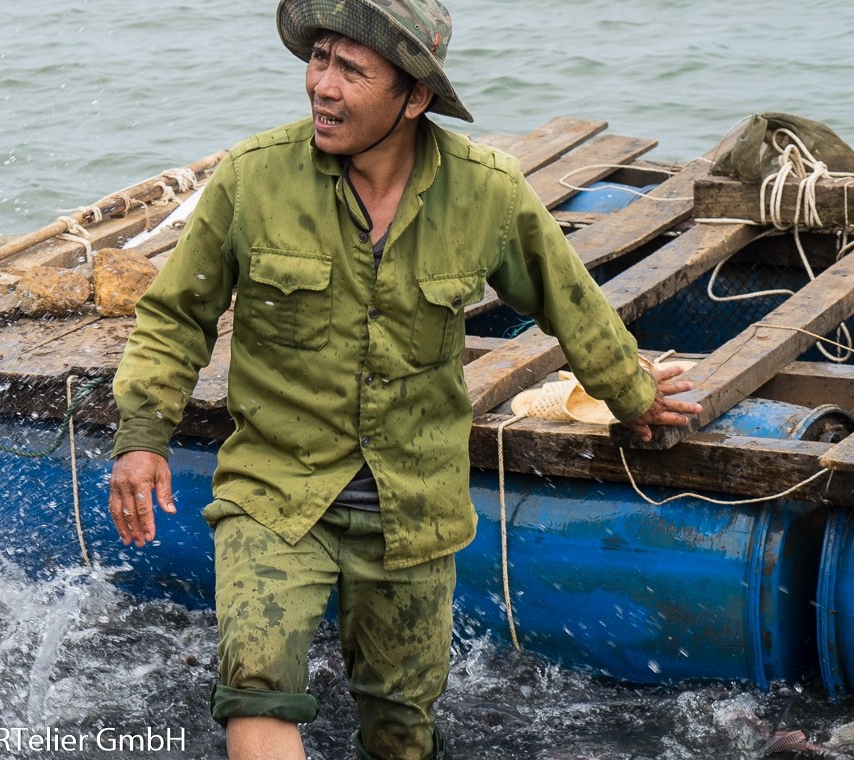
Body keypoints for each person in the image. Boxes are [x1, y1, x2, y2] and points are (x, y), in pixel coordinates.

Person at [106, 1, 702, 757]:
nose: (322, 85)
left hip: (415, 508)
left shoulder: (487, 192)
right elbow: (173, 316)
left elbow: (570, 301)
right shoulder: (253, 179)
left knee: (400, 731)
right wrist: (142, 438)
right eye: (318, 59)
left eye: (351, 69)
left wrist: (634, 395)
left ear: (415, 97)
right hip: (276, 491)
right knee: (255, 689)